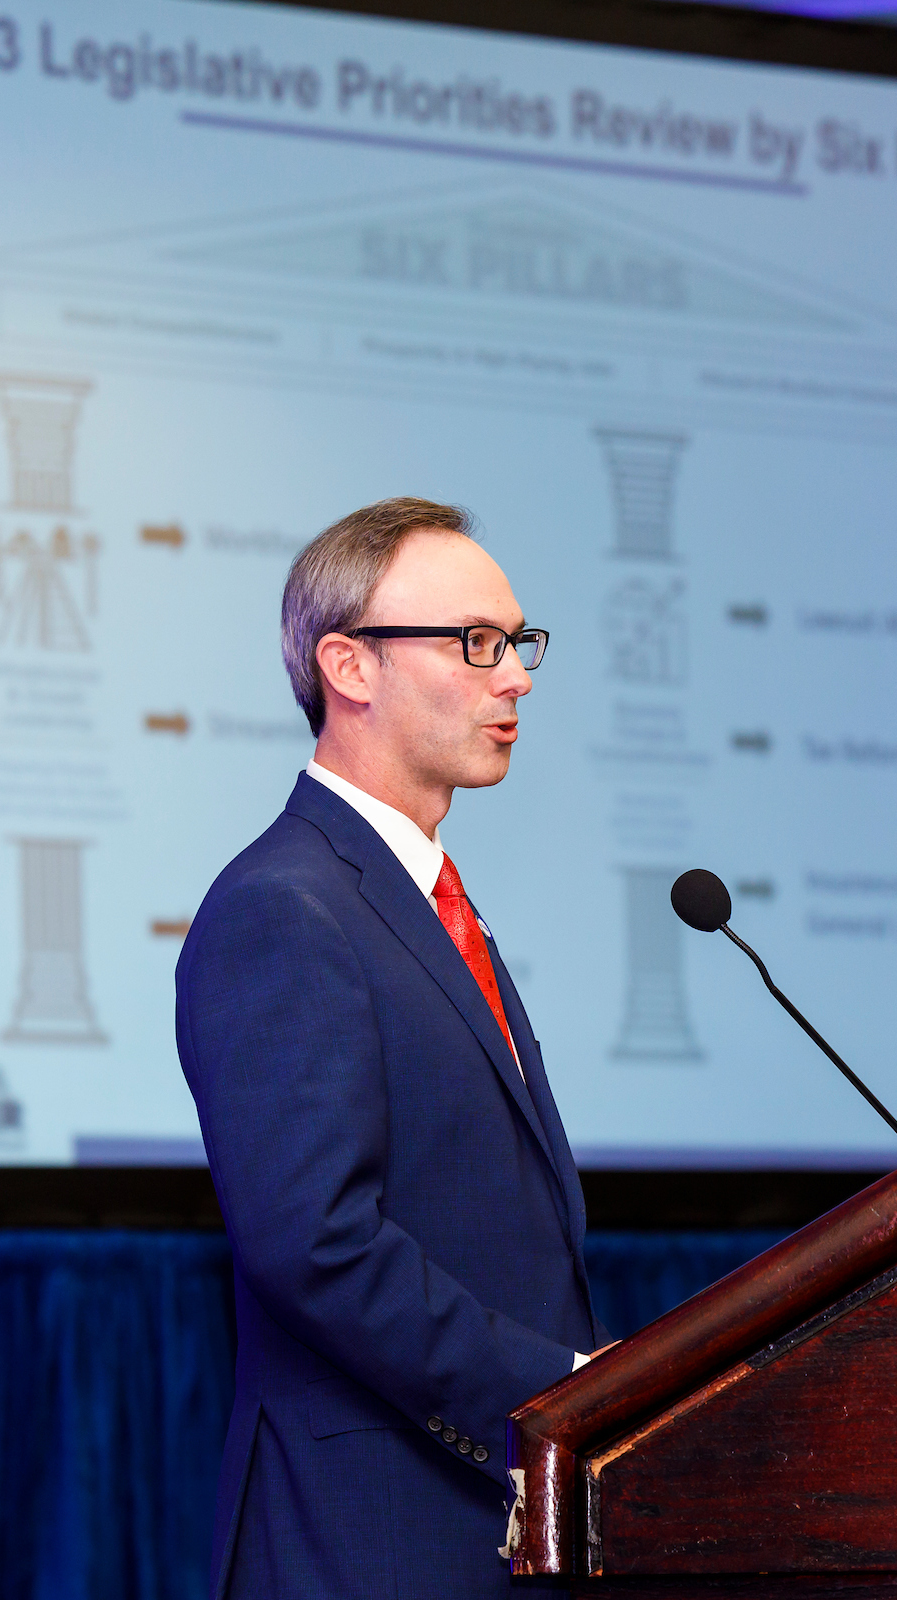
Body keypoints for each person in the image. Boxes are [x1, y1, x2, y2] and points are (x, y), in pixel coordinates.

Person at [176, 497, 604, 1599]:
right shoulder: (285, 906)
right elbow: (316, 1245)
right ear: (349, 666)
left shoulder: (425, 901)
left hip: (482, 1528)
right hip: (366, 1539)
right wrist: (555, 1395)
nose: (516, 678)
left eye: (518, 643)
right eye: (476, 642)